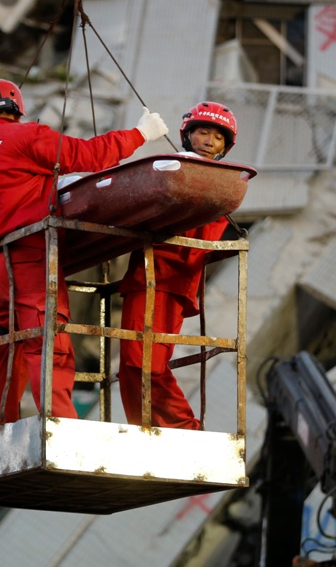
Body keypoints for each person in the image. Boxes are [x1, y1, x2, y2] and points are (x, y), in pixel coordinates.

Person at [0, 78, 168, 428]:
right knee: (50, 347)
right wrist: (140, 134)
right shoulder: (26, 136)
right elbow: (89, 155)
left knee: (7, 352)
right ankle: (61, 430)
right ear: (18, 108)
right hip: (30, 259)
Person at [117, 101, 238, 430]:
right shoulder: (174, 169)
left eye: (218, 136)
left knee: (145, 364)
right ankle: (142, 429)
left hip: (170, 279)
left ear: (226, 146)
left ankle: (185, 429)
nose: (210, 140)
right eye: (203, 132)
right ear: (188, 135)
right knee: (130, 366)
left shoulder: (223, 182)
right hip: (149, 275)